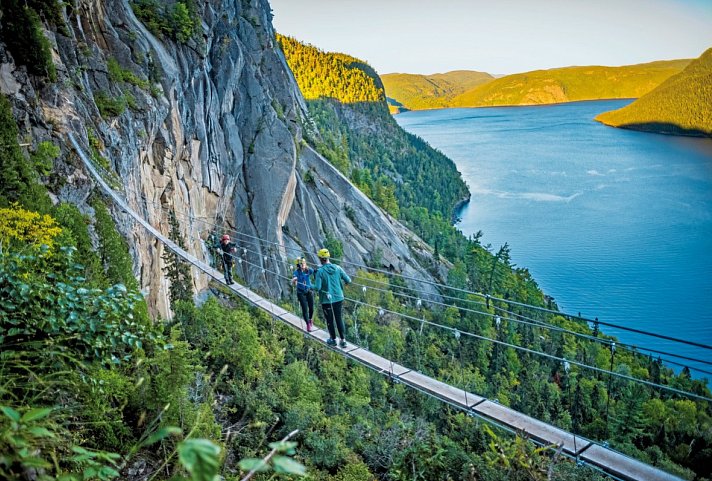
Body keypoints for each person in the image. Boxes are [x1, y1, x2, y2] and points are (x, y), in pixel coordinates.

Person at [314, 248, 351, 348]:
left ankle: (333, 339)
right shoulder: (338, 268)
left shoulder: (320, 272)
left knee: (330, 320)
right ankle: (343, 341)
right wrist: (343, 285)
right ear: (328, 257)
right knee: (339, 318)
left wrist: (308, 286)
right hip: (339, 297)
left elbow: (317, 287)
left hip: (326, 300)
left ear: (321, 259)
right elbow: (348, 280)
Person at [291, 257, 315, 332]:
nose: (303, 264)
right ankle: (308, 324)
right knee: (305, 309)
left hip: (308, 290)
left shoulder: (308, 270)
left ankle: (310, 319)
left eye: (304, 263)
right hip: (301, 292)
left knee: (311, 308)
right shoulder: (296, 272)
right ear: (298, 265)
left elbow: (315, 272)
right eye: (301, 263)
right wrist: (294, 280)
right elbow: (294, 278)